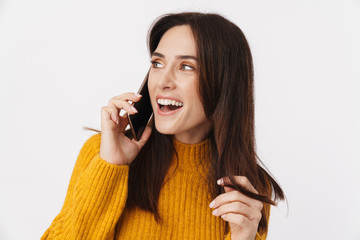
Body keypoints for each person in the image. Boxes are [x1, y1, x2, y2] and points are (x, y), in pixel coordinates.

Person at [41, 12, 285, 240]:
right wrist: (109, 167)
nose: (162, 81)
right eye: (157, 64)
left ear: (224, 84)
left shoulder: (247, 188)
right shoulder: (102, 153)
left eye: (186, 67)